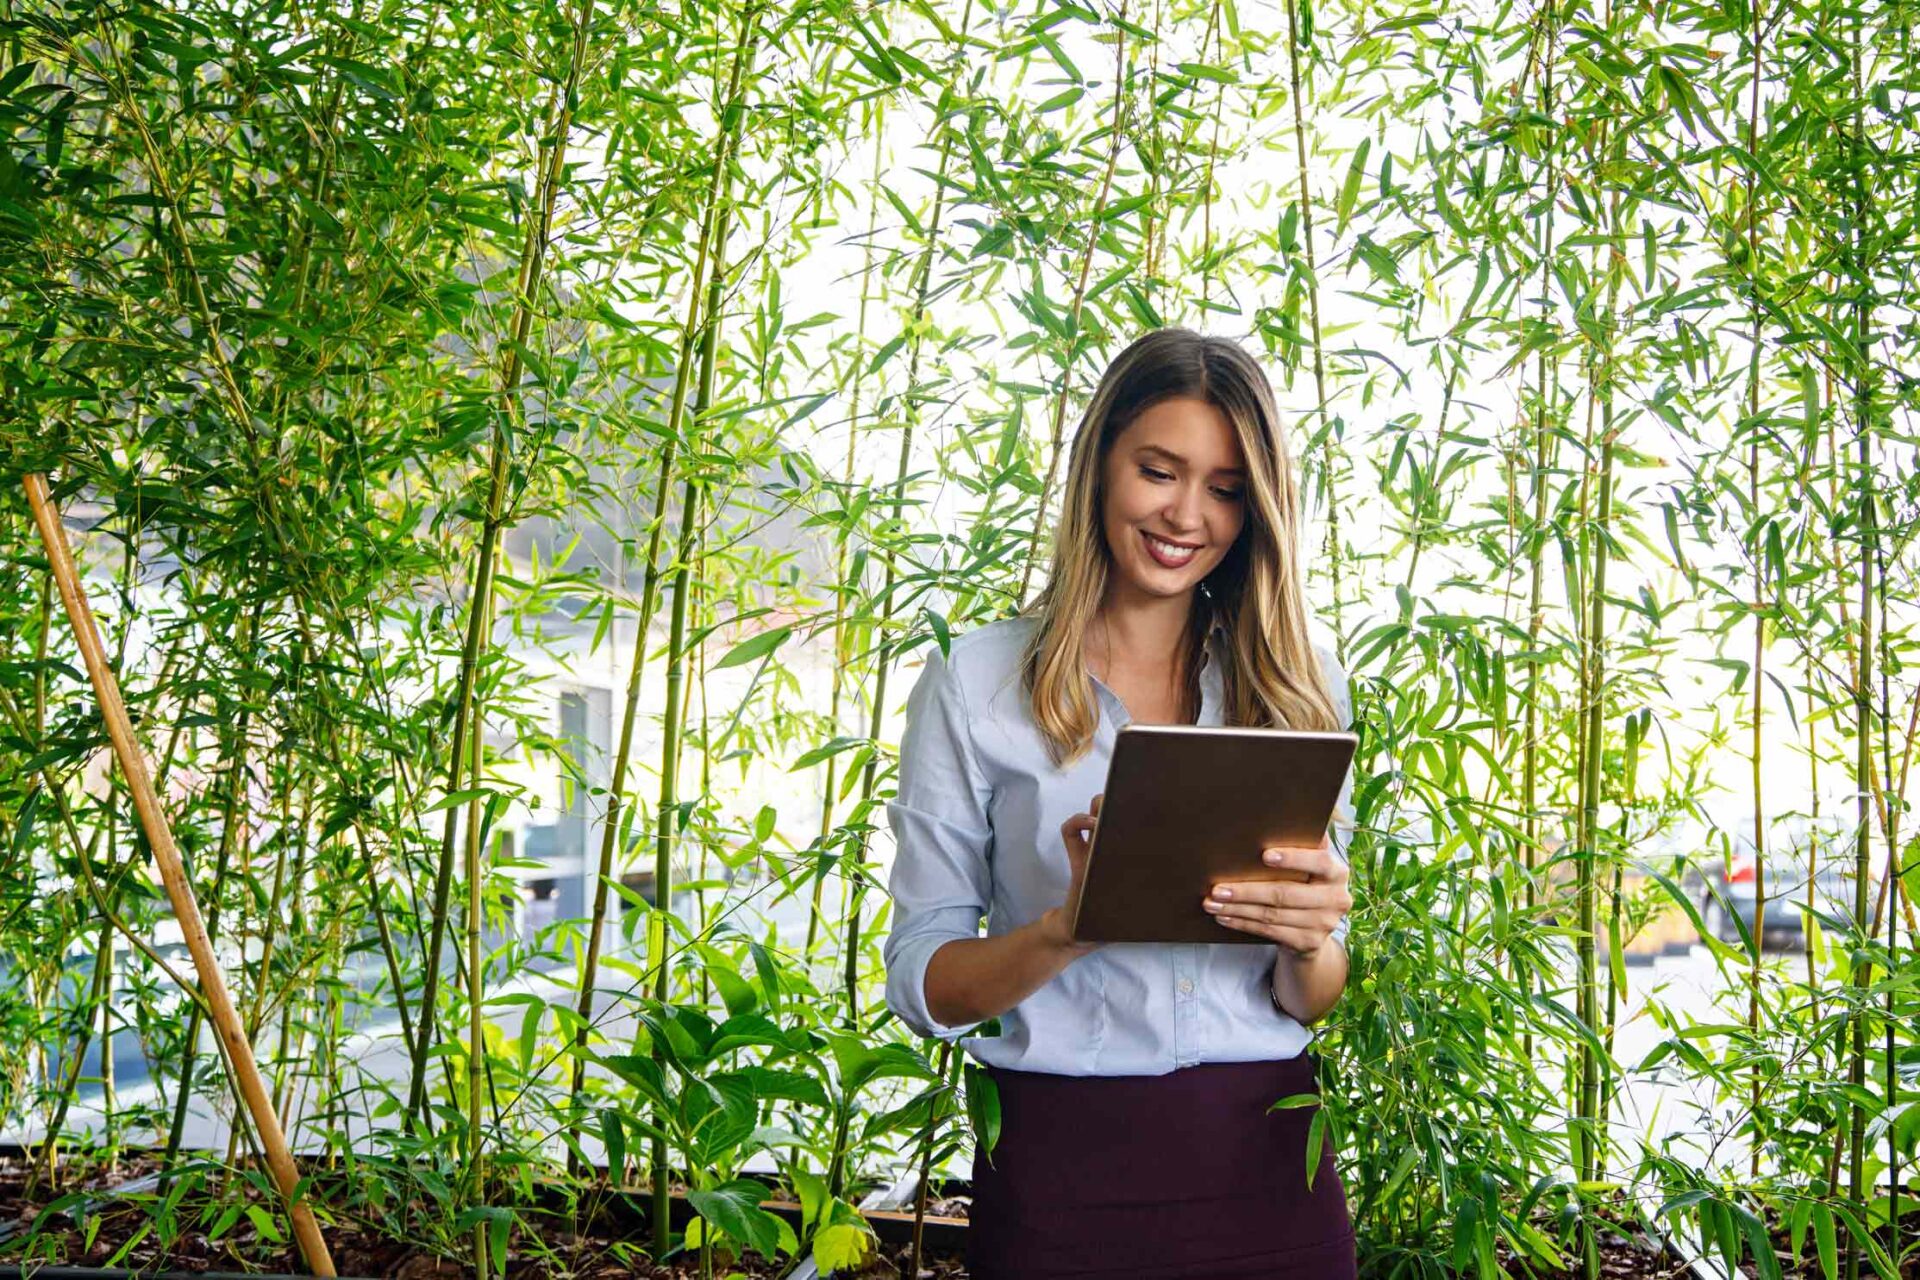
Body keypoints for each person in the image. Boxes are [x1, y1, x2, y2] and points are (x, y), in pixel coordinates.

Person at [881, 327, 1360, 1279]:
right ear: (1099, 464)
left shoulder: (1300, 687)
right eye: (1159, 470)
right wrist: (1071, 926)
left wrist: (1311, 941)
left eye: (1226, 488)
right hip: (1064, 1173)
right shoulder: (973, 683)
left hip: (1270, 1160)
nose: (1189, 515)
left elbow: (1307, 1002)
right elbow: (922, 982)